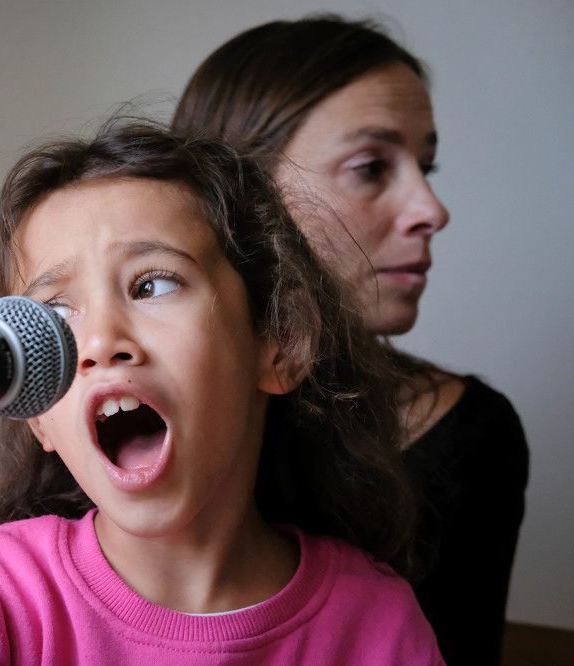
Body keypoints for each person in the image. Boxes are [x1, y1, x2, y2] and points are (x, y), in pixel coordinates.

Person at [0, 120, 443, 664]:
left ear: (280, 341)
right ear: (36, 409)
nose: (100, 340)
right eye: (56, 318)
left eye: (154, 283)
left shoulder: (377, 625)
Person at [171, 15, 529, 664]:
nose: (432, 209)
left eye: (426, 166)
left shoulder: (472, 434)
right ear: (243, 197)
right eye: (371, 167)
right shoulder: (116, 407)